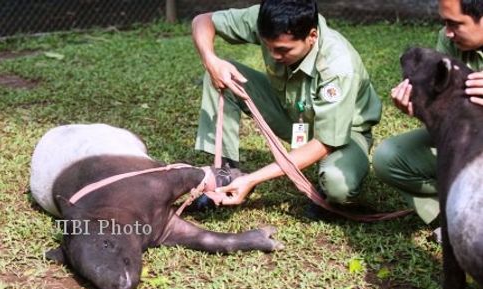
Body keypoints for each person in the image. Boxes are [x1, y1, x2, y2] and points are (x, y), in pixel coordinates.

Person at [190, 0, 382, 210]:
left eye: (283, 50)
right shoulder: (268, 20)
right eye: (268, 45)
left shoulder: (338, 67)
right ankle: (226, 174)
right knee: (220, 75)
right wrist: (210, 60)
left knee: (338, 185)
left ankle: (326, 189)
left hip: (344, 133)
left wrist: (254, 179)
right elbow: (203, 21)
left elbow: (325, 142)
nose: (273, 55)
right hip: (292, 112)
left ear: (312, 36)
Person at [372, 0, 483, 225]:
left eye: (455, 24)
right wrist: (418, 107)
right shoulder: (450, 39)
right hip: (467, 138)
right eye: (444, 23)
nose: (448, 33)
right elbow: (444, 106)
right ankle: (448, 218)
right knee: (390, 158)